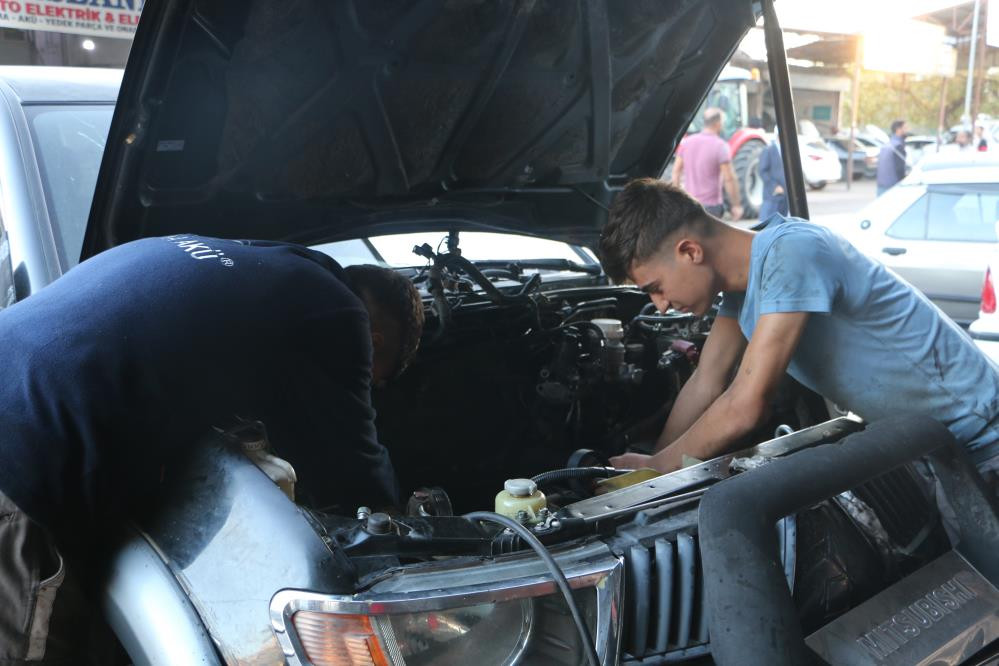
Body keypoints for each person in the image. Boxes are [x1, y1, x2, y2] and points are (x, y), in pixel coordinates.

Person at [0, 235, 423, 662]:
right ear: (376, 340)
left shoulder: (242, 262)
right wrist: (409, 543)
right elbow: (354, 467)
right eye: (374, 380)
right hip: (22, 456)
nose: (366, 389)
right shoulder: (338, 313)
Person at [598, 179, 999, 486]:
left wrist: (657, 468)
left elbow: (745, 404)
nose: (660, 305)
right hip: (932, 446)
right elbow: (707, 381)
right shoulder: (745, 286)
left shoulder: (790, 253)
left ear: (690, 252)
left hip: (984, 437)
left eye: (655, 287)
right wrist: (653, 464)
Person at [671, 107, 744, 220]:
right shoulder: (720, 146)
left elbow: (676, 172)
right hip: (711, 208)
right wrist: (736, 205)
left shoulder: (686, 143)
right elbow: (729, 178)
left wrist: (677, 200)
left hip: (690, 205)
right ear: (718, 123)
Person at [757, 131, 787, 222]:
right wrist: (775, 186)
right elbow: (762, 171)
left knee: (781, 224)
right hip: (772, 196)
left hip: (785, 197)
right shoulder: (768, 150)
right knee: (767, 223)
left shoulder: (786, 151)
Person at [876, 119, 908, 196]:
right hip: (892, 188)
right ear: (898, 129)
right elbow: (899, 169)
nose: (907, 130)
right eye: (905, 128)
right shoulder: (898, 146)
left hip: (881, 186)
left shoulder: (887, 145)